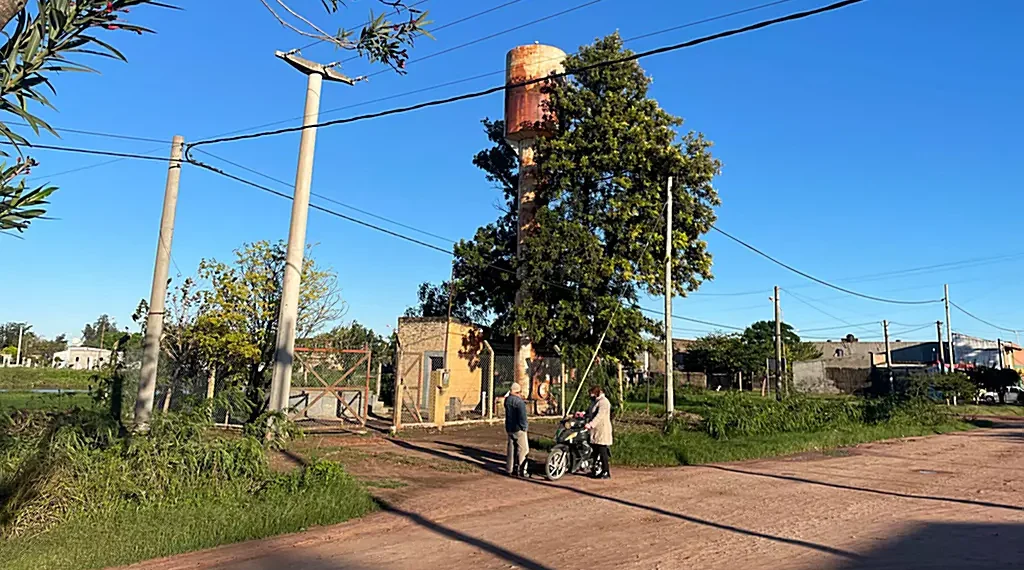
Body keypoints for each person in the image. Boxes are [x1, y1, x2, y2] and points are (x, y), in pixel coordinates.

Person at [585, 385, 613, 479]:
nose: (591, 395)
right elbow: (590, 412)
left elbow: (599, 416)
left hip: (602, 430)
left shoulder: (604, 402)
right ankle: (595, 469)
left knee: (602, 450)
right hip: (595, 430)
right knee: (595, 450)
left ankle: (606, 471)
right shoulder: (595, 402)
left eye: (592, 393)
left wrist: (590, 424)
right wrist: (582, 414)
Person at [504, 382, 529, 478]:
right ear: (517, 392)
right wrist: (524, 427)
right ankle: (522, 470)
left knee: (511, 449)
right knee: (523, 449)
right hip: (519, 429)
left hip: (509, 428)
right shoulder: (519, 403)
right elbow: (523, 417)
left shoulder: (507, 400)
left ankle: (509, 469)